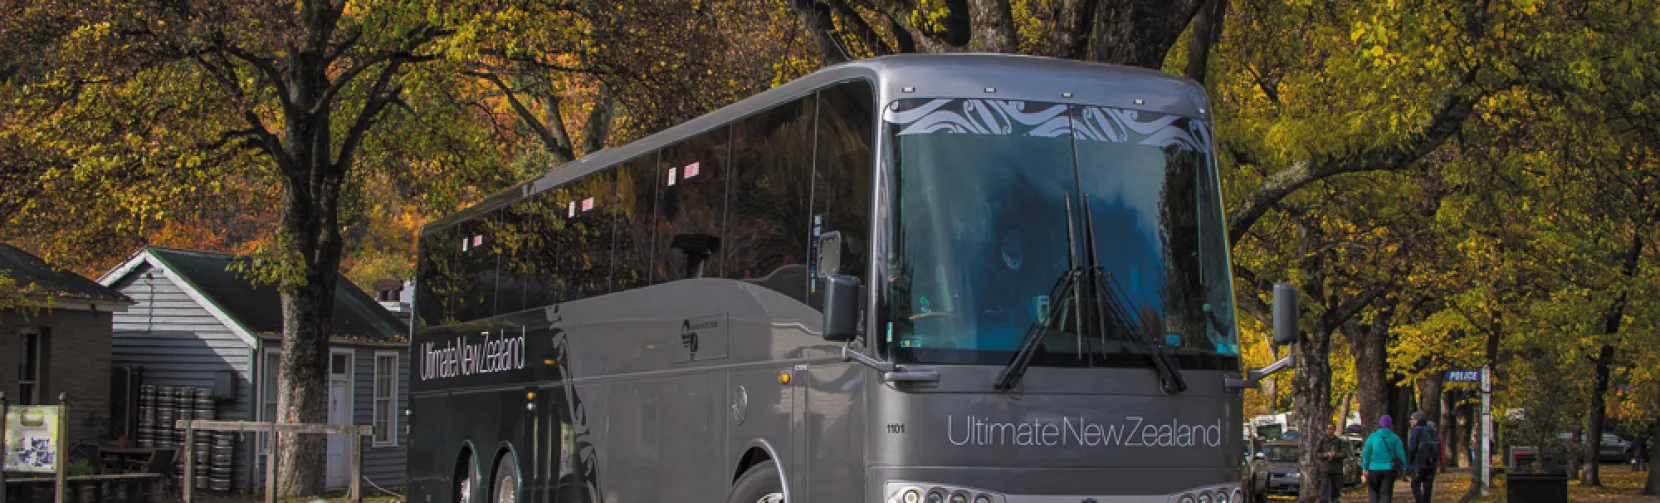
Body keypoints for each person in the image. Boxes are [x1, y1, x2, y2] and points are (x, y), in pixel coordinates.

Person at [1362, 414, 1408, 503]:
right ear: (1391, 424)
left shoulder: (1373, 436)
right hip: (1389, 469)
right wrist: (1403, 468)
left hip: (1373, 468)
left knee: (1373, 493)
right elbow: (1400, 454)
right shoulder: (1395, 438)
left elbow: (1366, 453)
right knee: (1386, 494)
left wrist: (1365, 467)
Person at [1406, 410, 1440, 503]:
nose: (1411, 421)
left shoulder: (1416, 430)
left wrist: (1409, 463)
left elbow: (1412, 448)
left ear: (1416, 420)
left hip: (1419, 463)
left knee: (1415, 485)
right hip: (1432, 464)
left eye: (1412, 419)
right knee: (1428, 488)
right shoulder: (1431, 430)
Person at [1318, 423, 1351, 503]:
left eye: (1330, 428)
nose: (1328, 430)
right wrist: (1324, 455)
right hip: (1325, 468)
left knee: (1336, 487)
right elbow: (1317, 454)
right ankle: (1323, 501)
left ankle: (1335, 500)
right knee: (1324, 486)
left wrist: (1335, 455)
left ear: (1334, 430)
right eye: (1327, 428)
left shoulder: (1339, 441)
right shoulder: (1322, 441)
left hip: (1336, 469)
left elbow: (1344, 454)